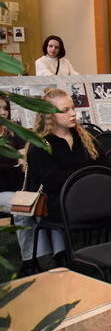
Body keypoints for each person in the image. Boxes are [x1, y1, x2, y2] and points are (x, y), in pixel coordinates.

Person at [25, 89, 111, 281]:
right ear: (49, 115)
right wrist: (89, 175)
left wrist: (86, 178)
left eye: (73, 108)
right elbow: (55, 181)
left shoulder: (83, 138)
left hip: (89, 197)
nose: (73, 113)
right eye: (65, 110)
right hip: (58, 204)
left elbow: (106, 168)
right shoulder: (40, 146)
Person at [0, 95, 40, 275]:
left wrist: (9, 169)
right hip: (5, 191)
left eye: (5, 108)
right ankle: (29, 262)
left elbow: (22, 167)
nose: (3, 113)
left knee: (40, 204)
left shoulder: (14, 134)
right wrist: (10, 169)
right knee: (22, 207)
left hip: (15, 189)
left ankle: (58, 255)